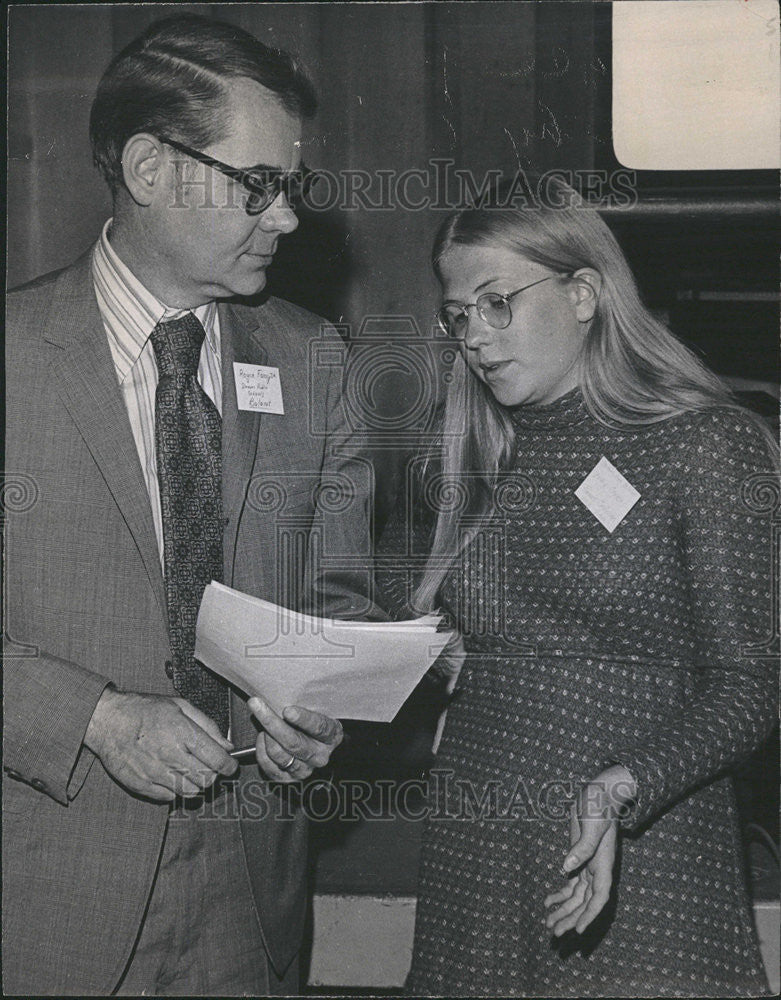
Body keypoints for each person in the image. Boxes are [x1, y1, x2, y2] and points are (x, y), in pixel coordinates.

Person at [4, 15, 378, 995]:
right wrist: (93, 714)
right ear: (149, 167)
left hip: (252, 905)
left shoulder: (314, 362)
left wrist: (324, 704)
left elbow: (341, 599)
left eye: (290, 188)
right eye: (260, 185)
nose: (287, 219)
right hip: (45, 895)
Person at [400, 177, 778, 996]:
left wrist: (619, 787)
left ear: (582, 294)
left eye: (498, 302)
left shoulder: (707, 445)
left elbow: (749, 689)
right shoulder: (471, 457)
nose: (474, 335)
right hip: (478, 844)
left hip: (642, 848)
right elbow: (473, 645)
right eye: (458, 314)